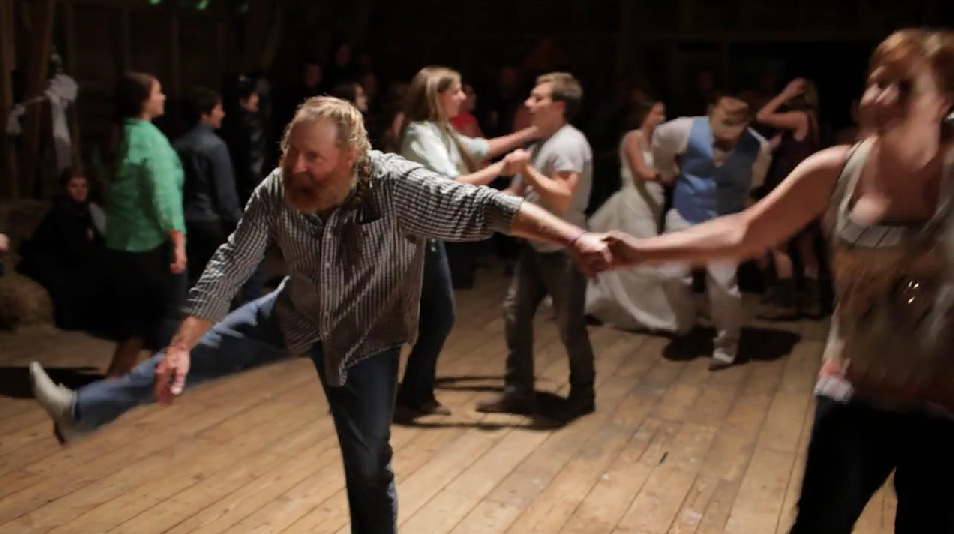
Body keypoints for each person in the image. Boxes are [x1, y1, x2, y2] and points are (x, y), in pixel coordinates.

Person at [28, 96, 612, 534]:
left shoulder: (394, 186)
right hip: (293, 312)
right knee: (177, 360)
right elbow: (233, 261)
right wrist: (181, 344)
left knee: (368, 464)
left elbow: (491, 208)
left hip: (366, 339)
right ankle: (83, 412)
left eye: (313, 157)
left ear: (352, 158)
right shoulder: (280, 187)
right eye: (291, 151)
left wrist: (574, 238)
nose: (297, 166)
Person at [601, 29, 954, 534]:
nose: (882, 98)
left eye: (905, 86)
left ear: (944, 100)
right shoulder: (835, 171)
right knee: (817, 525)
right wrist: (639, 251)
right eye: (877, 83)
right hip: (855, 391)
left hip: (943, 405)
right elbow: (744, 230)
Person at [396, 66, 540, 417]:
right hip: (412, 238)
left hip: (426, 236)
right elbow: (453, 184)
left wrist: (533, 131)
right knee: (437, 315)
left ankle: (414, 393)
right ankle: (409, 395)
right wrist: (503, 170)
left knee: (436, 315)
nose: (463, 97)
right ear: (437, 95)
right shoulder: (420, 133)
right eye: (457, 90)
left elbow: (480, 148)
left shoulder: (440, 130)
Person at [474, 72, 598, 419]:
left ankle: (583, 394)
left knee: (569, 325)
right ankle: (518, 391)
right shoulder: (543, 142)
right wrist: (472, 201)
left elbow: (561, 197)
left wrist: (526, 172)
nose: (529, 103)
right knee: (515, 314)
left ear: (559, 106)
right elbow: (517, 192)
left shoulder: (569, 143)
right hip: (536, 248)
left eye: (538, 98)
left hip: (564, 251)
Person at [650, 95, 772, 370]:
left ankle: (727, 345)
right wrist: (666, 171)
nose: (724, 136)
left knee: (723, 285)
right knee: (671, 275)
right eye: (720, 127)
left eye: (733, 129)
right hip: (685, 213)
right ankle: (686, 329)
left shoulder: (759, 148)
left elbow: (755, 180)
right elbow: (660, 146)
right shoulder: (681, 129)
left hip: (725, 220)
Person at [101, 71, 188, 377]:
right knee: (167, 313)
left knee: (135, 320)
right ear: (143, 101)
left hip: (121, 240)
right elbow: (162, 195)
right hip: (149, 241)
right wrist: (177, 240)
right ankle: (160, 378)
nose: (163, 97)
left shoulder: (120, 135)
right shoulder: (149, 140)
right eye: (158, 92)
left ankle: (116, 379)